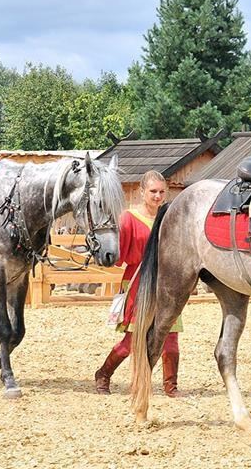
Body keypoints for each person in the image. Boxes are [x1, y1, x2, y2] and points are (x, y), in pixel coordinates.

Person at [94, 170, 183, 397]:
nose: (157, 196)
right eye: (153, 191)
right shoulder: (129, 218)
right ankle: (103, 374)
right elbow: (118, 256)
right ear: (142, 192)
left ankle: (170, 387)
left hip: (166, 285)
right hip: (138, 284)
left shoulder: (171, 216)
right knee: (132, 341)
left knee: (170, 339)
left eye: (162, 191)